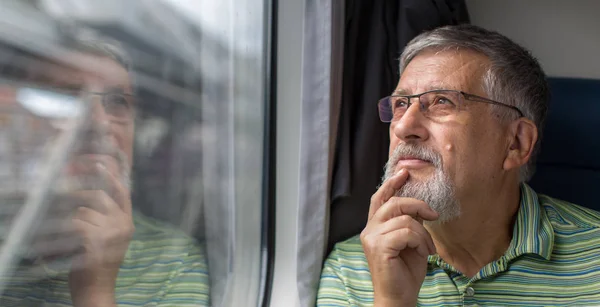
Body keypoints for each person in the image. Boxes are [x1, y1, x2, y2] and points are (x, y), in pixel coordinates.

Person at [317, 24, 600, 306]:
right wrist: (393, 300)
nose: (403, 127)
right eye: (401, 103)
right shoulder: (350, 268)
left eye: (442, 101)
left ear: (516, 142)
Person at [0, 35, 210, 306]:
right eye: (69, 97)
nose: (100, 123)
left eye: (118, 102)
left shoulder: (170, 262)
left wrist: (95, 289)